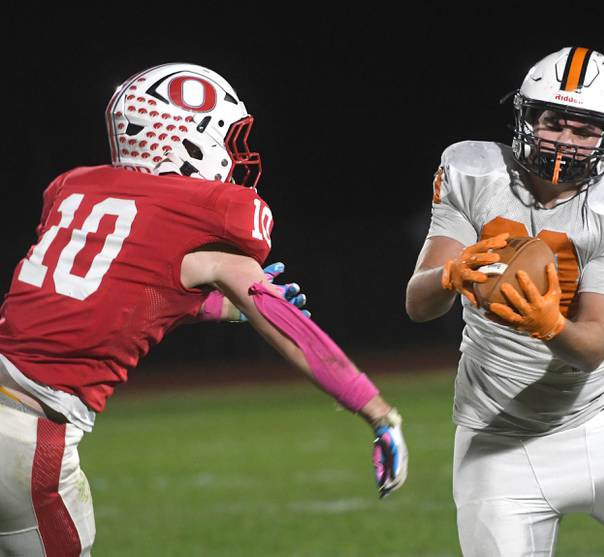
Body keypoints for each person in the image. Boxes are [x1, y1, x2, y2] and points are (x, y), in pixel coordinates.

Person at [0, 63, 408, 556]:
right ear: (185, 136)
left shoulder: (73, 188)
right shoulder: (209, 208)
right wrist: (379, 413)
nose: (237, 153)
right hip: (27, 435)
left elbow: (122, 289)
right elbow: (293, 331)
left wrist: (227, 309)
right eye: (227, 135)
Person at [406, 47, 604, 556]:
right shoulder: (471, 170)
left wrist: (547, 324)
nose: (566, 141)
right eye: (554, 121)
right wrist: (449, 275)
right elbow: (418, 303)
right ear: (526, 116)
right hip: (495, 443)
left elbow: (592, 345)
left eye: (586, 131)